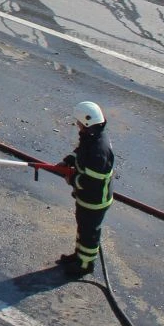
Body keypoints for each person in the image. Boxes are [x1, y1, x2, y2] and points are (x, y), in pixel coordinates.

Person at [57, 101, 115, 278]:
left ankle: (85, 265)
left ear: (87, 122)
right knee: (83, 228)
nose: (78, 125)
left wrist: (71, 179)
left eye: (79, 122)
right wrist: (68, 160)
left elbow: (91, 182)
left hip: (95, 200)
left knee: (89, 234)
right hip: (87, 198)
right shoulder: (92, 137)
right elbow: (81, 152)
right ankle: (79, 256)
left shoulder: (99, 150)